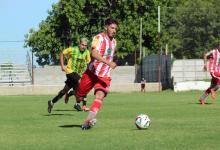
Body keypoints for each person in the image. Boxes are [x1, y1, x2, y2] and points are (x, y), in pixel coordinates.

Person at [75, 19, 118, 130]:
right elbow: (94, 53)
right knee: (79, 97)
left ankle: (87, 122)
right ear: (106, 27)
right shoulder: (98, 38)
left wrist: (111, 63)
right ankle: (72, 93)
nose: (114, 31)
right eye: (112, 28)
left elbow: (111, 55)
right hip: (91, 73)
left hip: (104, 75)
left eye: (116, 29)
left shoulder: (114, 42)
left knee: (99, 96)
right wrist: (109, 62)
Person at [47, 38, 91, 113]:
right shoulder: (73, 49)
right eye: (82, 45)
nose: (84, 47)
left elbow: (88, 63)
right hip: (70, 72)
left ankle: (52, 102)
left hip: (78, 74)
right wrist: (62, 66)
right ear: (79, 44)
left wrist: (88, 72)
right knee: (81, 84)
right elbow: (62, 53)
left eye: (85, 45)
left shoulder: (87, 52)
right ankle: (79, 104)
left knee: (65, 92)